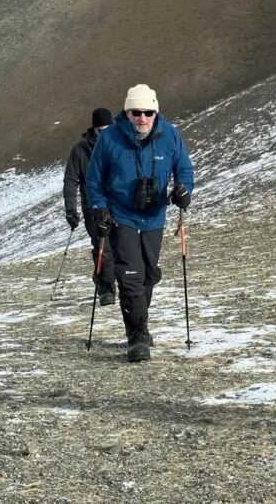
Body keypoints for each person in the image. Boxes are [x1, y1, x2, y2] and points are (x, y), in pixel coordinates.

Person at [85, 84, 194, 362]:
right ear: (127, 112)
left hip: (155, 215)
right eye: (136, 112)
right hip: (121, 215)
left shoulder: (170, 135)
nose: (142, 118)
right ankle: (136, 337)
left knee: (148, 274)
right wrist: (99, 209)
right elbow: (94, 179)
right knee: (130, 274)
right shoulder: (109, 139)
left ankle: (139, 321)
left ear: (155, 112)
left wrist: (184, 189)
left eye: (148, 112)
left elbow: (184, 169)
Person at [63, 107, 115, 304]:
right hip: (92, 207)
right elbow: (70, 181)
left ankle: (109, 278)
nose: (105, 134)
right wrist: (71, 210)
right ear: (94, 129)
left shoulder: (120, 144)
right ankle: (106, 289)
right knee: (102, 244)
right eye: (101, 131)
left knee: (121, 245)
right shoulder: (80, 150)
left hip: (119, 204)